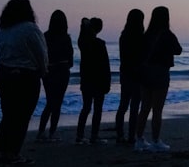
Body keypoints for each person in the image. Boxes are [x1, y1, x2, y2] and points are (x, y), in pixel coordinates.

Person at [0, 0, 48, 167]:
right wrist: (43, 71)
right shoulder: (30, 28)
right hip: (24, 75)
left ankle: (4, 151)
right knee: (22, 116)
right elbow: (41, 53)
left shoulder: (4, 30)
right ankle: (13, 153)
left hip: (3, 73)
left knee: (9, 113)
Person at [135, 6, 182, 152]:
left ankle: (139, 139)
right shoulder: (167, 34)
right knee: (157, 109)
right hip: (160, 72)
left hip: (145, 73)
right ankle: (155, 140)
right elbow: (178, 50)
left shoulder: (146, 34)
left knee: (144, 108)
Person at [36, 9, 73, 142]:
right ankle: (52, 132)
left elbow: (41, 55)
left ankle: (41, 132)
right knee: (57, 103)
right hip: (62, 71)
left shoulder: (45, 36)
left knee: (50, 102)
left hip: (49, 72)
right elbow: (71, 59)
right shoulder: (66, 37)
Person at [76, 17, 111, 145]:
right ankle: (94, 136)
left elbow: (84, 20)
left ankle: (79, 135)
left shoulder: (83, 42)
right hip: (99, 80)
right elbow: (105, 65)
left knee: (86, 108)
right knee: (97, 109)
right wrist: (107, 82)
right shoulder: (99, 44)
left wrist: (86, 25)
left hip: (86, 79)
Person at [115, 9, 146, 143]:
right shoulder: (141, 37)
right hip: (138, 74)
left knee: (123, 105)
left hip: (125, 73)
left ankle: (120, 134)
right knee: (134, 107)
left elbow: (124, 57)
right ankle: (131, 136)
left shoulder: (124, 35)